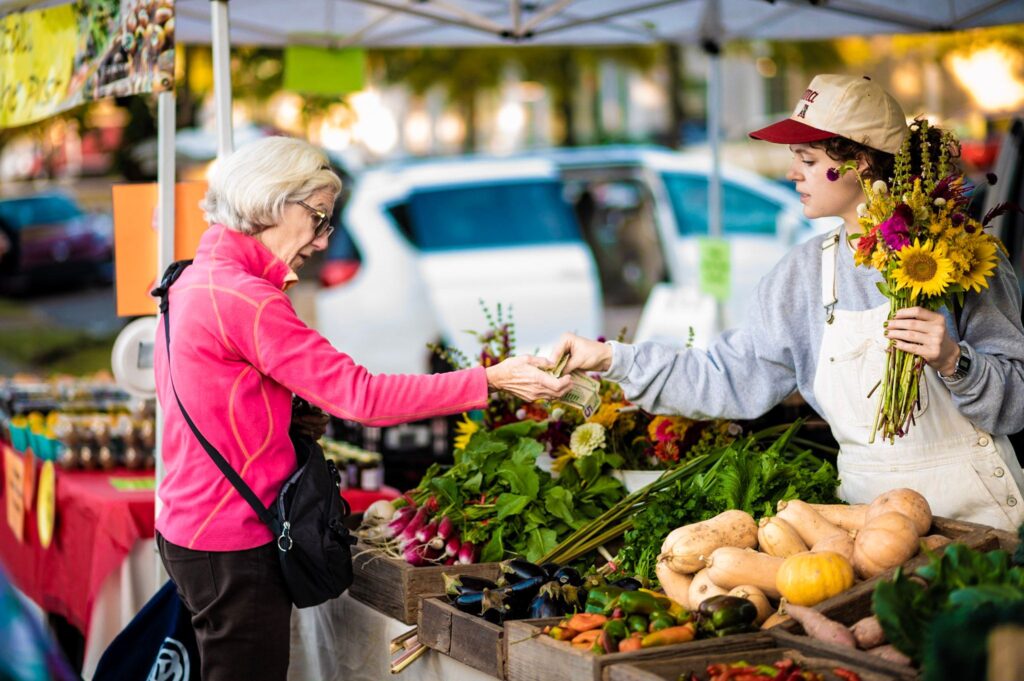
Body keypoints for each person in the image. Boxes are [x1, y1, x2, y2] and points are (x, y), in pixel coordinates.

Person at [152, 136, 570, 681]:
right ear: (275, 201)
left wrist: (282, 418)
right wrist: (489, 380)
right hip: (232, 537)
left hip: (190, 523)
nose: (324, 241)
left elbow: (205, 394)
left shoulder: (191, 275)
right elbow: (362, 397)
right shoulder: (246, 298)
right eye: (320, 218)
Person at [552, 74, 1024, 532]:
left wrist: (955, 362)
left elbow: (1017, 403)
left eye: (807, 159)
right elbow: (726, 377)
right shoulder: (800, 278)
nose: (790, 172)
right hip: (868, 528)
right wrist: (615, 358)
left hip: (979, 520)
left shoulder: (964, 254)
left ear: (860, 162)